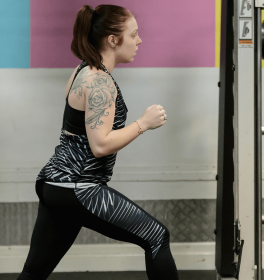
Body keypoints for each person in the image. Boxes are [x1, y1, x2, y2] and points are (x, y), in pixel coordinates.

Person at [17, 4, 177, 280]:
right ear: (113, 40)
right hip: (79, 188)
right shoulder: (100, 81)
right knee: (156, 237)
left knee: (34, 273)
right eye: (134, 35)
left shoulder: (82, 70)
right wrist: (143, 124)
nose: (140, 41)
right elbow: (100, 145)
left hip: (53, 184)